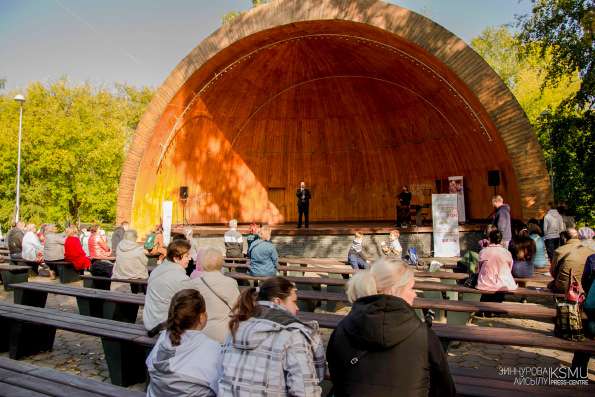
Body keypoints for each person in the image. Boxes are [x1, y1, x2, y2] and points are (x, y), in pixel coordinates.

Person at [327, 258, 456, 397]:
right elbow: (445, 389)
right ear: (395, 290)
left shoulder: (342, 330)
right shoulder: (423, 336)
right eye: (411, 288)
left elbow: (337, 379)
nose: (415, 294)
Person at [219, 276, 325, 396]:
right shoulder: (292, 334)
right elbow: (306, 392)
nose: (297, 307)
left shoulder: (236, 327)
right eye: (294, 302)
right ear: (277, 301)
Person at [146, 289, 222, 397]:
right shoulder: (213, 348)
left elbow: (150, 364)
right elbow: (220, 386)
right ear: (202, 317)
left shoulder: (163, 338)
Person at [185, 248, 240, 343]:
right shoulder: (230, 283)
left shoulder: (193, 283)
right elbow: (238, 310)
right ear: (221, 263)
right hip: (223, 334)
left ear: (203, 263)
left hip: (198, 333)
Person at [144, 240, 192, 333]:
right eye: (187, 256)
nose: (190, 259)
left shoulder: (156, 270)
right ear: (176, 258)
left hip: (150, 322)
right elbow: (190, 306)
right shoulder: (181, 278)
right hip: (165, 327)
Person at [548, 228, 595, 293]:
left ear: (564, 238)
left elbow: (553, 272)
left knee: (550, 285)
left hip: (565, 287)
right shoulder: (590, 250)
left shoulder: (559, 251)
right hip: (585, 287)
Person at [476, 229, 517, 299]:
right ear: (500, 240)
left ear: (489, 239)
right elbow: (510, 268)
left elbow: (478, 269)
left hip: (485, 283)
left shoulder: (483, 251)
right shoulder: (507, 252)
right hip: (504, 283)